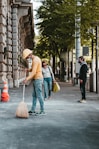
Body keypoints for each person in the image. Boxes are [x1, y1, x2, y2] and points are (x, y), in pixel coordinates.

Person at [22, 48, 45, 115]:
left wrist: (27, 79)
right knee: (34, 95)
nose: (27, 59)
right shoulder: (34, 59)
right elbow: (32, 69)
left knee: (39, 95)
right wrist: (28, 70)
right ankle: (33, 109)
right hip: (35, 79)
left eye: (27, 57)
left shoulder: (36, 60)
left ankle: (42, 110)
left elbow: (34, 72)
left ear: (29, 55)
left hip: (38, 79)